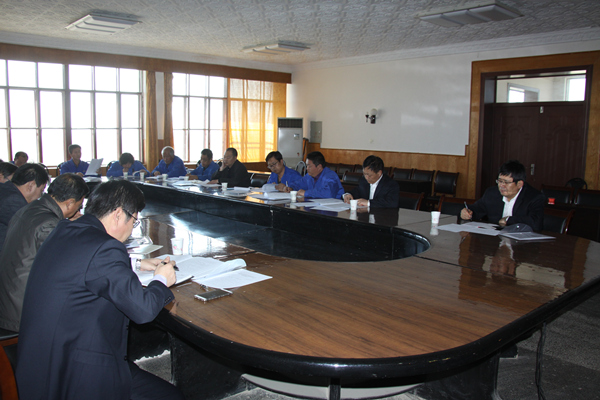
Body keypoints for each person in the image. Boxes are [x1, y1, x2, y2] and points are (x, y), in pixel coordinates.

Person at [16, 180, 184, 400]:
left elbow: (83, 264)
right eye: (134, 221)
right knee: (170, 396)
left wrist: (135, 263)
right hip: (76, 373)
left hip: (43, 363)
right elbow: (143, 310)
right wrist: (161, 280)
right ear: (118, 214)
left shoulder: (65, 229)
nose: (131, 229)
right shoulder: (106, 247)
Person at [0, 173, 89, 333]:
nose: (79, 210)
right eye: (79, 205)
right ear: (69, 203)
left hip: (8, 301)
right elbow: (68, 266)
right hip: (21, 313)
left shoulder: (29, 209)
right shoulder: (49, 224)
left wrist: (66, 222)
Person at [460, 160, 545, 231]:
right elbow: (477, 209)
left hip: (522, 242)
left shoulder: (534, 197)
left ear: (519, 184)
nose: (502, 186)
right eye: (500, 181)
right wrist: (468, 213)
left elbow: (536, 223)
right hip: (494, 241)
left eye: (506, 182)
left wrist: (508, 220)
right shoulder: (492, 193)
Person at [0, 163, 49, 254]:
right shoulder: (14, 200)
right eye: (41, 190)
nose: (40, 196)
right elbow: (34, 229)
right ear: (31, 186)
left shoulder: (6, 189)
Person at [278, 151, 344, 199]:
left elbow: (329, 193)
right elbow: (298, 184)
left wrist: (306, 193)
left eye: (309, 166)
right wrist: (290, 188)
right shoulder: (309, 176)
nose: (307, 169)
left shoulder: (330, 176)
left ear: (319, 167)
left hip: (332, 209)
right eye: (306, 166)